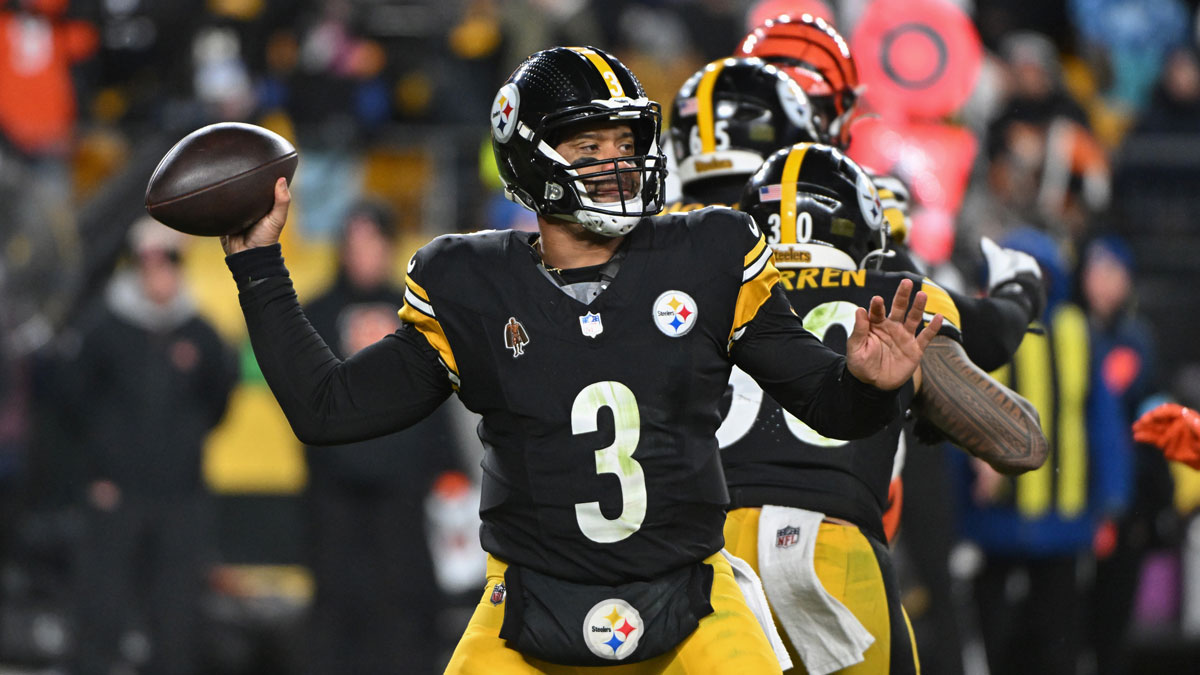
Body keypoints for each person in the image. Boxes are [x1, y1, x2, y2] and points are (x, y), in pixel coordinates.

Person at [218, 46, 942, 673]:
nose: (616, 165)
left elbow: (828, 405)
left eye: (624, 145)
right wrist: (258, 267)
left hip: (691, 594)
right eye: (589, 149)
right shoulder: (471, 283)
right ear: (531, 160)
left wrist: (867, 385)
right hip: (530, 603)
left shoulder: (709, 253)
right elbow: (328, 407)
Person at [718, 142, 1047, 675]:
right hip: (834, 547)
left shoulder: (705, 289)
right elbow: (1021, 442)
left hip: (711, 555)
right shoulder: (895, 296)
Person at [954, 226, 1131, 675]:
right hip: (994, 523)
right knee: (997, 638)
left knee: (1057, 641)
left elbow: (1103, 422)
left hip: (1062, 521)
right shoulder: (976, 332)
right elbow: (950, 420)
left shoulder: (1076, 333)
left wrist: (1111, 501)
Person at [65, 217, 238, 675]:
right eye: (150, 262)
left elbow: (218, 402)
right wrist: (99, 471)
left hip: (180, 495)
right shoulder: (103, 330)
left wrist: (183, 450)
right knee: (101, 612)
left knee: (177, 618)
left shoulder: (201, 334)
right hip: (116, 493)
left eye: (169, 262)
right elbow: (72, 405)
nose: (159, 273)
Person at [300, 200, 461, 674]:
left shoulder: (417, 316)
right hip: (335, 489)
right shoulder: (315, 313)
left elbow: (437, 391)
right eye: (354, 243)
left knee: (406, 599)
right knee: (336, 601)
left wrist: (447, 466)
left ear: (389, 247)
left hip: (402, 487)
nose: (362, 253)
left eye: (372, 242)